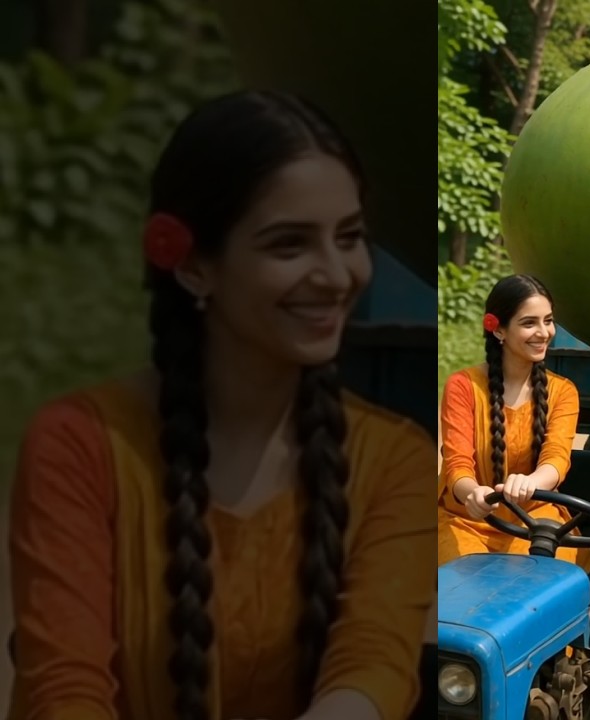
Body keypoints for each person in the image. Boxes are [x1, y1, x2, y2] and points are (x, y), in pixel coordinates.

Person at [6, 90, 435, 720]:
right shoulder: (79, 444)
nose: (337, 275)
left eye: (348, 238)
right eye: (289, 245)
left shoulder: (395, 459)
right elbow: (63, 688)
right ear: (192, 266)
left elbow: (374, 664)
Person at [437, 274, 590, 570]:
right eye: (529, 323)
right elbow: (457, 464)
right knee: (466, 584)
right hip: (466, 520)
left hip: (537, 521)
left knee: (537, 581)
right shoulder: (463, 386)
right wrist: (473, 494)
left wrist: (531, 483)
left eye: (548, 321)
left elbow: (556, 459)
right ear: (498, 329)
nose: (544, 332)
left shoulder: (563, 391)